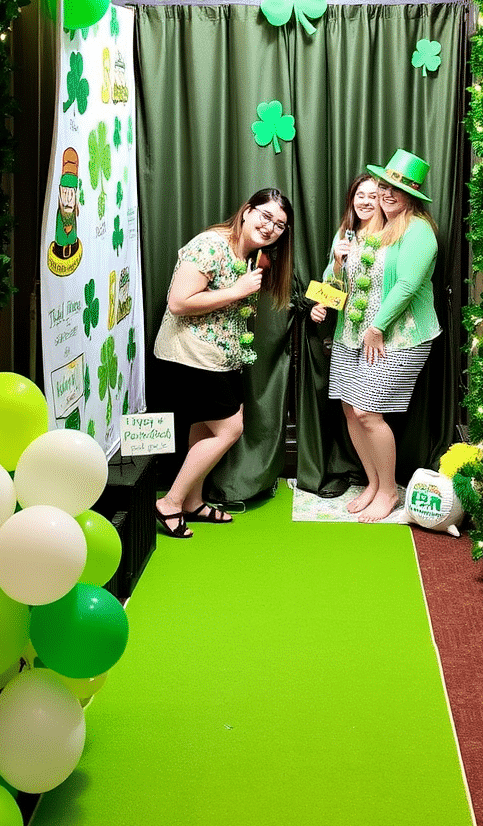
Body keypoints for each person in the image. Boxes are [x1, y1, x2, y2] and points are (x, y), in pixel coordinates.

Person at [152, 187, 294, 539]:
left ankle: (193, 502)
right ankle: (170, 501)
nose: (270, 227)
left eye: (279, 225)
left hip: (220, 358)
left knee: (204, 427)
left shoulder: (251, 255)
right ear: (247, 211)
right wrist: (238, 290)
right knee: (230, 429)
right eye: (265, 216)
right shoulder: (210, 245)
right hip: (190, 355)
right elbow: (179, 302)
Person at [312, 150, 440, 523]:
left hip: (398, 336)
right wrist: (324, 297)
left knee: (369, 412)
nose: (383, 195)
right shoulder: (356, 232)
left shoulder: (418, 230)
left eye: (392, 190)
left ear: (411, 196)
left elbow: (407, 284)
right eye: (381, 187)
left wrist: (377, 326)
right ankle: (372, 482)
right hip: (351, 333)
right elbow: (336, 280)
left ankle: (389, 490)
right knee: (351, 410)